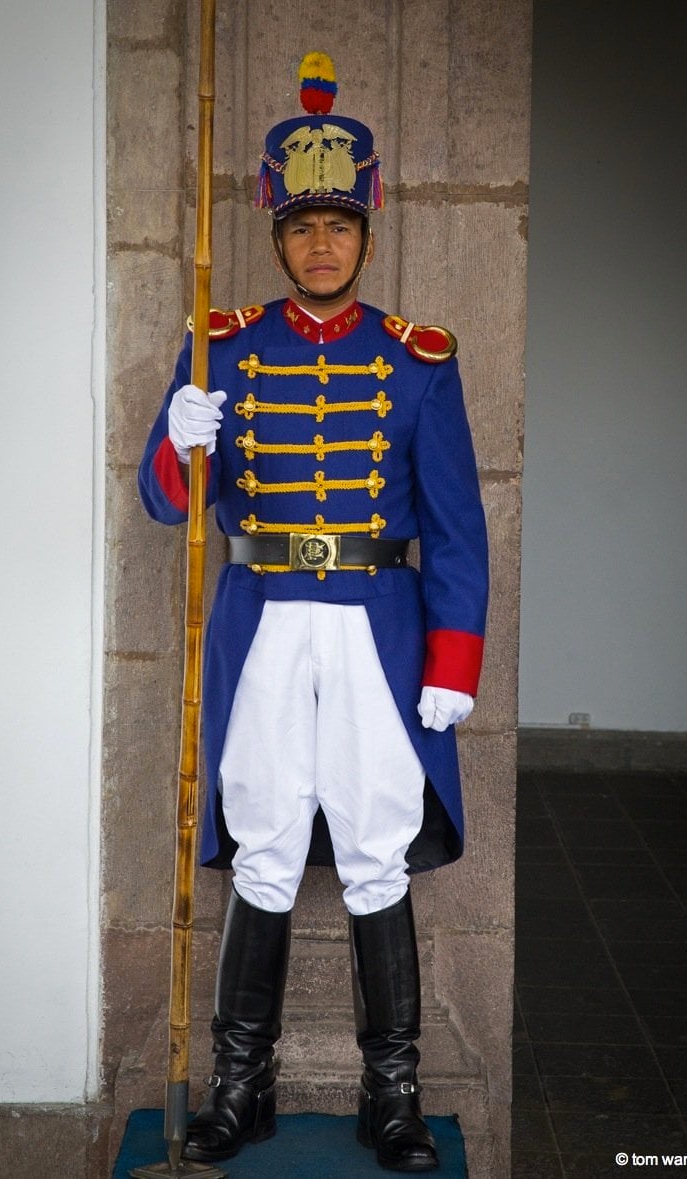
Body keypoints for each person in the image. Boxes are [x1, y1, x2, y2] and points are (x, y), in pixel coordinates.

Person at [138, 51, 489, 1174]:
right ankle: (243, 1086)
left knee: (377, 848)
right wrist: (179, 442)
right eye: (301, 227)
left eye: (339, 224)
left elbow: (458, 526)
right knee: (267, 850)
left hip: (379, 628)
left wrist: (454, 654)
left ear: (368, 233)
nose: (321, 244)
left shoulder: (418, 362)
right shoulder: (223, 348)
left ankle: (396, 1097)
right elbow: (161, 500)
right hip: (266, 624)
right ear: (276, 235)